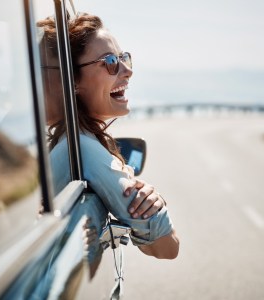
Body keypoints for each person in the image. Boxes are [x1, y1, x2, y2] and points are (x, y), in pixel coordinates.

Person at [38, 13, 179, 259]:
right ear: (73, 81)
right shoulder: (82, 148)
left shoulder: (68, 142)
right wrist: (155, 203)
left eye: (125, 58)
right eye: (111, 61)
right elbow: (168, 247)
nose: (127, 71)